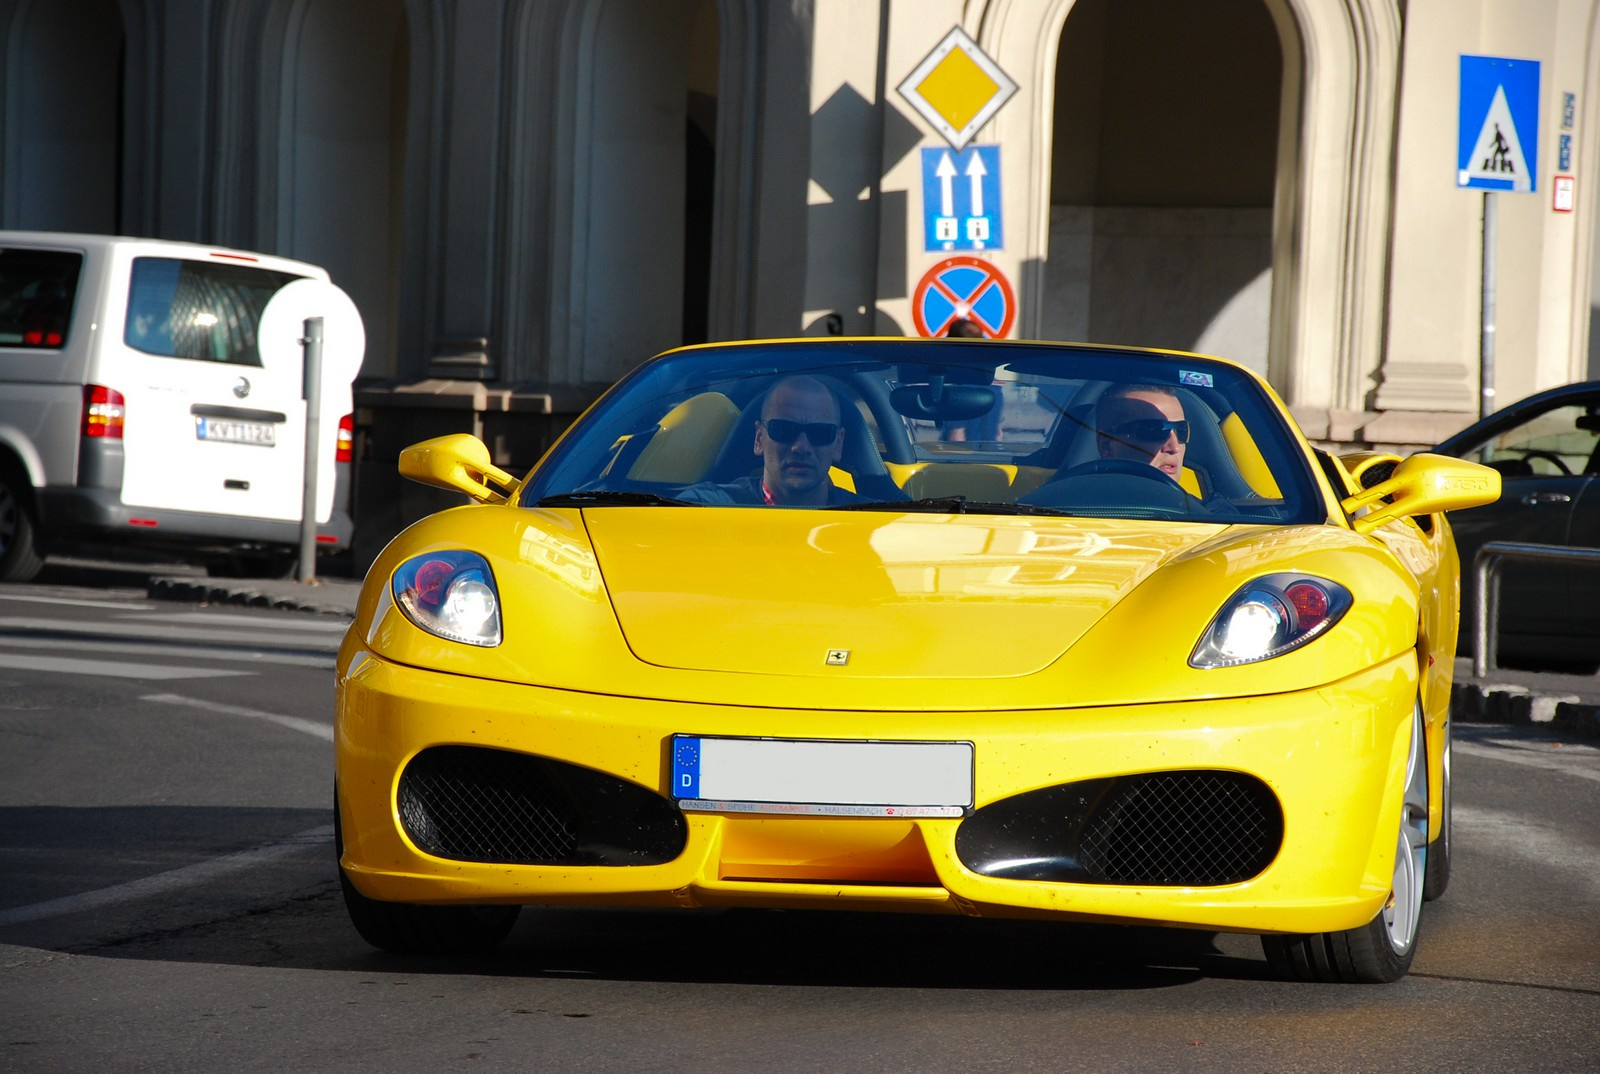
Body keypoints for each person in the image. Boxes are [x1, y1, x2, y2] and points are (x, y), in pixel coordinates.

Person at [679, 375, 866, 506]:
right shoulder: (702, 508)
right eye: (784, 430)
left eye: (820, 433)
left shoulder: (875, 521)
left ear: (838, 444)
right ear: (759, 439)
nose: (800, 447)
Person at [1095, 384, 1190, 482]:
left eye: (1181, 430)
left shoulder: (1203, 494)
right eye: (1153, 430)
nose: (1175, 448)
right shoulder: (1083, 496)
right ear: (1107, 447)